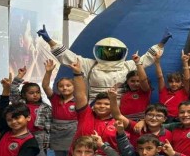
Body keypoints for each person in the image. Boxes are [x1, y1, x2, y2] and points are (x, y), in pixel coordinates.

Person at [37, 25, 171, 101]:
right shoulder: (90, 64)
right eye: (105, 51)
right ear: (98, 51)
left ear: (122, 52)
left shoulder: (127, 65)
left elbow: (146, 59)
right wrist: (49, 41)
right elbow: (68, 57)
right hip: (96, 106)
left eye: (114, 52)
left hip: (121, 109)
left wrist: (161, 44)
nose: (109, 54)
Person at [10, 66, 52, 156]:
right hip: (23, 136)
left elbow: (48, 125)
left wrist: (47, 141)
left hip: (39, 136)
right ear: (24, 94)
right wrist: (19, 77)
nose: (35, 95)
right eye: (31, 93)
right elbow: (13, 91)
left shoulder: (45, 107)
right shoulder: (20, 105)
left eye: (37, 92)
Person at [42, 59, 77, 156]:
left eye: (68, 85)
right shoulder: (55, 99)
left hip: (73, 132)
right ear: (57, 88)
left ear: (74, 87)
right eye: (61, 86)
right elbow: (45, 86)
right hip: (57, 132)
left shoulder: (78, 101)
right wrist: (48, 72)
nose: (64, 88)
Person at [118, 52, 152, 121]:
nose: (136, 83)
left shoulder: (144, 91)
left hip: (140, 121)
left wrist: (138, 63)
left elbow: (143, 80)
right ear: (127, 81)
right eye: (132, 81)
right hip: (124, 121)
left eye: (138, 81)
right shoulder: (124, 94)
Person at [155, 51, 188, 122]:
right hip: (163, 119)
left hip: (178, 120)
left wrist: (185, 62)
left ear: (182, 83)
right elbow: (160, 77)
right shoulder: (163, 91)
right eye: (171, 82)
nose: (174, 84)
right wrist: (157, 62)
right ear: (168, 83)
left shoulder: (184, 91)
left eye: (177, 82)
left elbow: (187, 79)